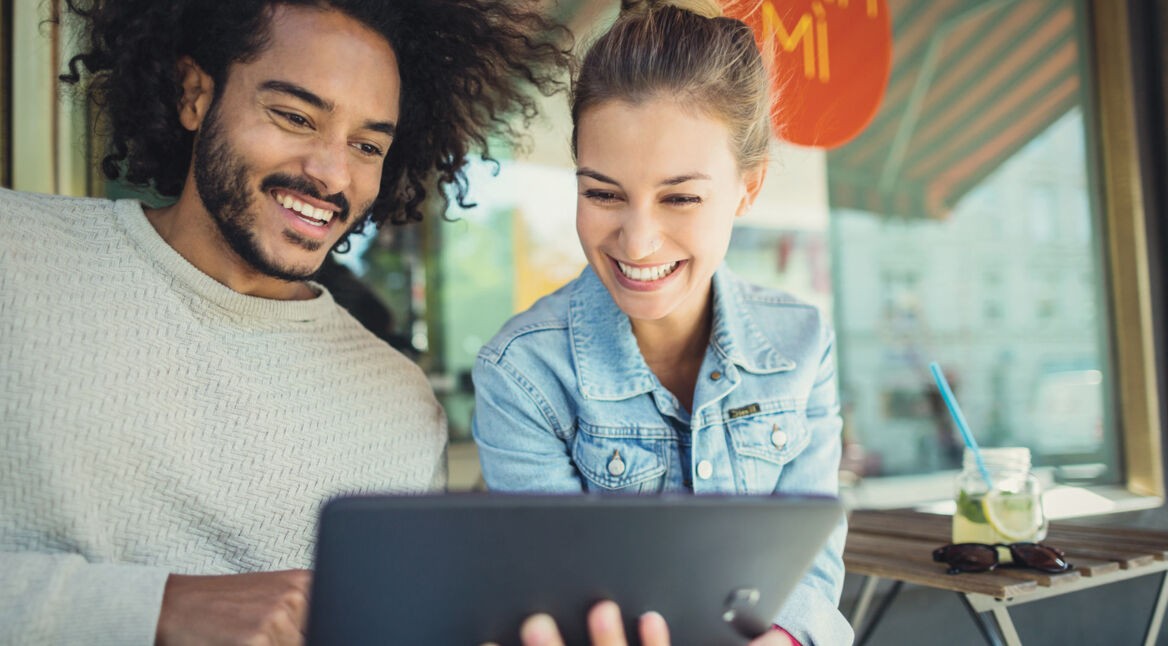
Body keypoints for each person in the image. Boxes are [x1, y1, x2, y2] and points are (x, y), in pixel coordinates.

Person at [0, 0, 573, 643]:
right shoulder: (14, 257)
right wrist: (155, 608)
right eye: (296, 117)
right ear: (194, 95)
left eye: (367, 146)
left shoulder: (400, 406)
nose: (331, 174)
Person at [471, 1, 853, 644]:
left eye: (680, 197)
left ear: (749, 188)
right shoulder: (522, 373)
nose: (638, 241)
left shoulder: (802, 344)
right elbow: (557, 598)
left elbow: (811, 572)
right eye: (602, 193)